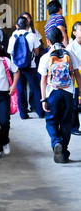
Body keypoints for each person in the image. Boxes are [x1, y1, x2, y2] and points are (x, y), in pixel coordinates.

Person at [38, 28, 81, 163]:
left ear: (48, 41)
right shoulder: (71, 54)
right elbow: (77, 75)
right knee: (66, 123)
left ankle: (56, 142)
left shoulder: (46, 57)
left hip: (53, 94)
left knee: (51, 121)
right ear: (63, 39)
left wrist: (43, 98)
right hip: (68, 93)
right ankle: (64, 151)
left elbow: (43, 81)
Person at [7, 16, 44, 119]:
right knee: (36, 89)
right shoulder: (32, 36)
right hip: (30, 66)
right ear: (27, 25)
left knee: (20, 89)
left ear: (17, 26)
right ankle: (40, 112)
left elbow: (10, 53)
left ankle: (23, 114)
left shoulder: (12, 37)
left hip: (17, 68)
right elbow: (37, 52)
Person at [67, 21, 81, 136]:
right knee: (75, 104)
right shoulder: (70, 47)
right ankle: (74, 127)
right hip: (76, 78)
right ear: (75, 33)